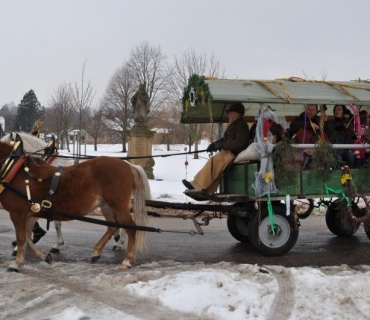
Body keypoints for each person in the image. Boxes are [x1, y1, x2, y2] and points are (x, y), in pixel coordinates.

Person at [182, 103, 250, 194]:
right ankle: (206, 188)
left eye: (230, 112)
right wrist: (215, 144)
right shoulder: (235, 124)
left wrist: (221, 145)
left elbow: (239, 142)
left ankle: (198, 185)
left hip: (234, 152)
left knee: (214, 162)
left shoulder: (241, 125)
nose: (228, 114)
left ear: (236, 113)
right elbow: (226, 139)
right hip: (228, 151)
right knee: (213, 161)